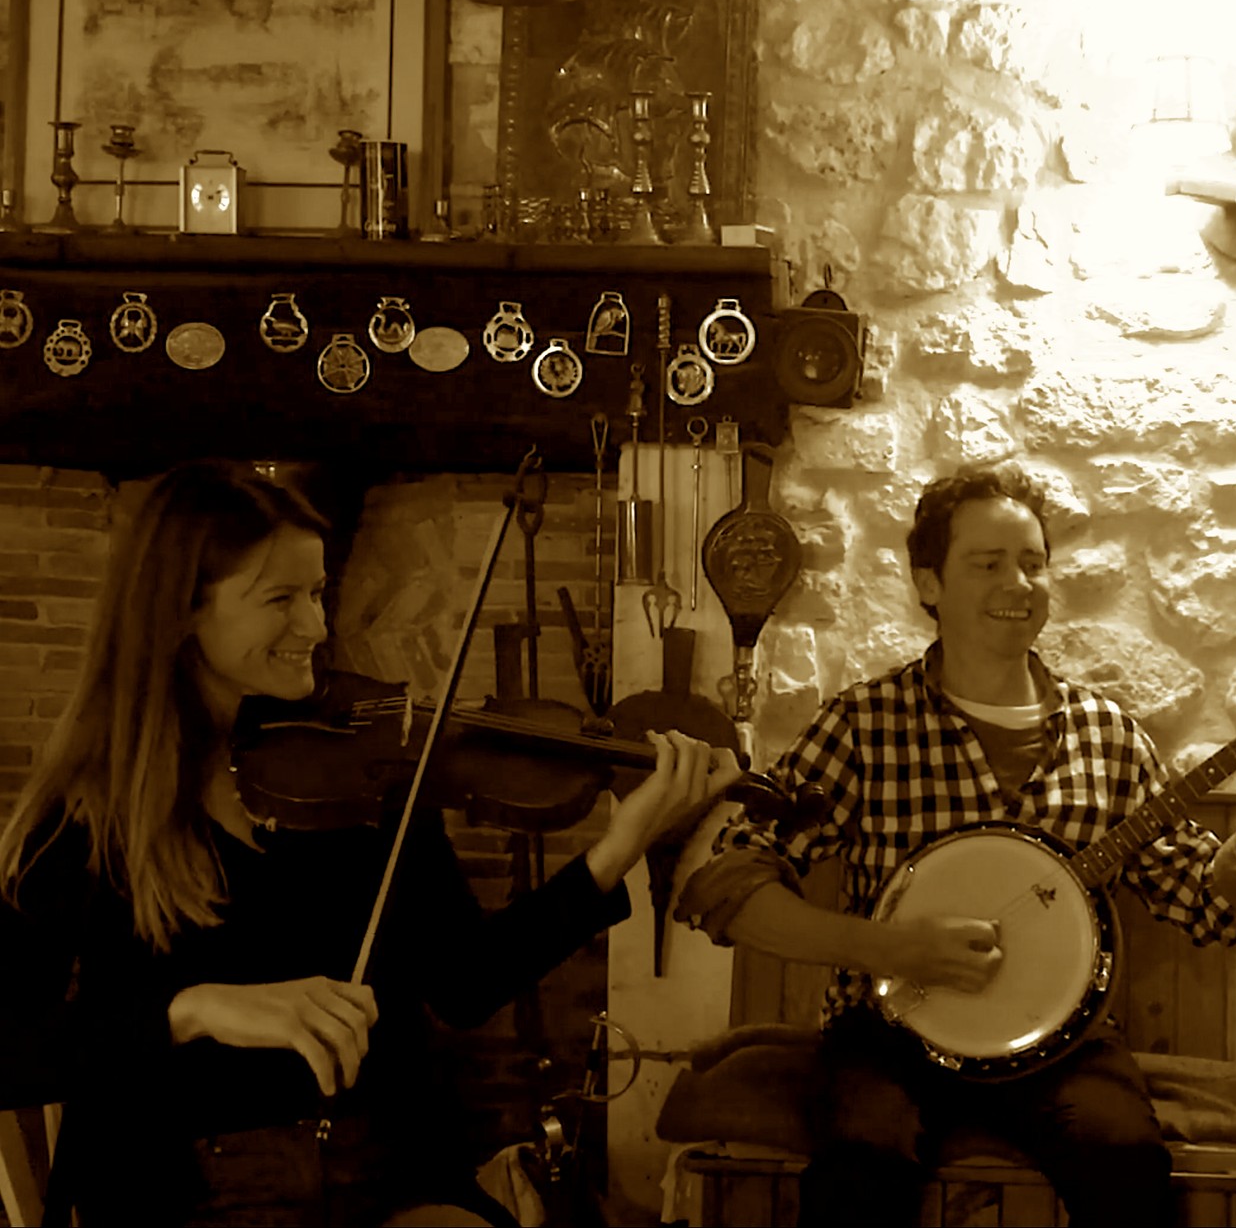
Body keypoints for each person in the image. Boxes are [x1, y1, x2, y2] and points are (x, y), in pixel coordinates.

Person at [0, 460, 740, 1226]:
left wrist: (621, 845)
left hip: (385, 1170)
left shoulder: (366, 766)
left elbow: (464, 982)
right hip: (181, 1186)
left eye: (317, 594)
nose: (316, 628)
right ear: (179, 612)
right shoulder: (85, 812)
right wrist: (191, 1010)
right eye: (280, 600)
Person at [678, 462, 1236, 1227]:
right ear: (928, 584)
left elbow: (1207, 905)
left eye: (1032, 563)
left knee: (1126, 1162)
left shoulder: (1106, 735)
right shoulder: (863, 724)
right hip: (890, 1034)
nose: (1018, 584)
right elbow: (729, 883)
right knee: (861, 1166)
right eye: (987, 564)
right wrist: (891, 949)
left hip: (1062, 1042)